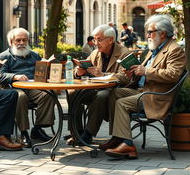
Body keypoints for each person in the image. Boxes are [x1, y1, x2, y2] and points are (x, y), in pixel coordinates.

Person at [99, 14, 186, 159]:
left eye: (150, 32)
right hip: (142, 90)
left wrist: (145, 71)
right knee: (114, 93)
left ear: (162, 33)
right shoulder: (155, 49)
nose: (147, 35)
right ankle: (118, 138)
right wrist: (134, 72)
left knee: (121, 103)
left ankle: (127, 145)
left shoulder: (174, 50)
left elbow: (173, 75)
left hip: (156, 96)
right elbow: (144, 73)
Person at [66, 24, 131, 145]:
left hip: (114, 91)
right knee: (72, 92)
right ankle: (77, 132)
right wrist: (78, 72)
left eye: (99, 39)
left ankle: (88, 134)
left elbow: (125, 77)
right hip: (95, 88)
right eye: (95, 39)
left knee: (101, 96)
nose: (96, 43)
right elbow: (80, 68)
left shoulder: (124, 53)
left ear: (110, 40)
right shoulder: (95, 53)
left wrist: (103, 75)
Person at [0, 28, 55, 148]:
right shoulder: (4, 56)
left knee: (48, 94)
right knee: (21, 97)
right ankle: (23, 132)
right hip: (12, 89)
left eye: (24, 40)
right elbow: (0, 76)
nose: (21, 43)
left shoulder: (34, 55)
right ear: (11, 42)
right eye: (18, 40)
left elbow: (42, 72)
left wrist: (47, 67)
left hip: (33, 88)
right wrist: (15, 76)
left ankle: (38, 129)